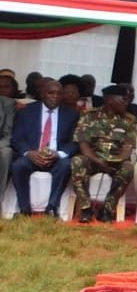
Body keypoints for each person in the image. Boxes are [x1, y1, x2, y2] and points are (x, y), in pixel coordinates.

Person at [70, 83, 137, 222]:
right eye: (122, 99)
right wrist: (99, 161)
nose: (127, 102)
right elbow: (83, 145)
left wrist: (116, 161)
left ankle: (108, 209)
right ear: (109, 100)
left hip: (116, 162)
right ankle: (85, 208)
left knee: (129, 168)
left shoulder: (128, 121)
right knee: (78, 161)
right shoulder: (89, 116)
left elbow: (127, 147)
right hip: (93, 160)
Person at [9, 77, 77, 216]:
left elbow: (74, 142)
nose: (55, 96)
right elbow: (17, 138)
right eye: (51, 93)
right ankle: (24, 208)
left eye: (59, 93)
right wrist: (29, 153)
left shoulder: (72, 114)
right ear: (42, 94)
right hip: (33, 154)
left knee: (65, 166)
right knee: (18, 166)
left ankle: (52, 208)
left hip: (56, 156)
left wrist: (59, 153)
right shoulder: (27, 111)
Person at [0, 73, 14, 187]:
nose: (2, 90)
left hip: (1, 144)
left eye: (6, 86)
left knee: (6, 152)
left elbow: (8, 134)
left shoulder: (8, 104)